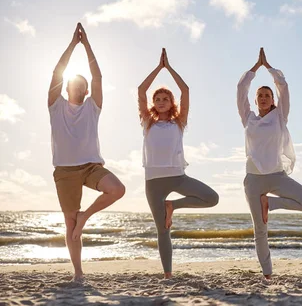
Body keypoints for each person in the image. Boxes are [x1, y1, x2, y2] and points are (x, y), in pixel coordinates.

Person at [48, 23, 126, 282]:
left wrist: (87, 44)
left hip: (92, 166)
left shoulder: (93, 106)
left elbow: (98, 77)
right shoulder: (55, 106)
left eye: (82, 84)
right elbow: (56, 73)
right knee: (70, 226)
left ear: (86, 90)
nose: (77, 86)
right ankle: (78, 273)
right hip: (65, 170)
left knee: (117, 189)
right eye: (73, 83)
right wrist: (72, 45)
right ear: (67, 87)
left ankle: (86, 216)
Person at [237, 47, 302, 279]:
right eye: (259, 96)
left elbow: (284, 86)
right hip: (253, 179)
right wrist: (254, 69)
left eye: (267, 95)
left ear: (272, 100)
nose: (263, 98)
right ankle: (268, 274)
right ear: (255, 100)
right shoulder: (248, 118)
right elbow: (240, 89)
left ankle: (270, 204)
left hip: (276, 175)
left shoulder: (280, 116)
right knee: (260, 230)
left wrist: (269, 67)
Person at [138, 48, 219, 279]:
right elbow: (141, 90)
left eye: (166, 99)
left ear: (172, 103)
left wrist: (169, 68)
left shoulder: (179, 122)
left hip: (177, 176)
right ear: (153, 103)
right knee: (162, 230)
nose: (161, 102)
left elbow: (185, 90)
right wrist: (158, 68)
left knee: (212, 198)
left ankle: (173, 205)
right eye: (158, 99)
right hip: (153, 181)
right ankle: (168, 274)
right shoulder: (147, 122)